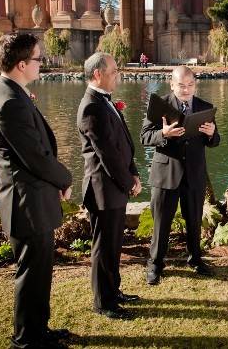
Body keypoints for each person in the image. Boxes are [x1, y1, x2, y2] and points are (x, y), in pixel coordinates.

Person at [0, 33, 72, 348]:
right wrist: (65, 179)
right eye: (39, 59)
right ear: (22, 64)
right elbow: (37, 157)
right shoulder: (10, 103)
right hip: (27, 203)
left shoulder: (13, 94)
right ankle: (27, 341)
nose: (42, 64)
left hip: (32, 200)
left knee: (39, 272)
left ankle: (39, 331)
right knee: (31, 275)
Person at [141, 65, 220, 285]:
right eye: (181, 86)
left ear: (195, 84)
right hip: (166, 174)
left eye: (190, 85)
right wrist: (163, 134)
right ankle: (155, 265)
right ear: (172, 84)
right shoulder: (160, 105)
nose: (186, 90)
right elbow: (145, 137)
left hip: (194, 175)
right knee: (161, 222)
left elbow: (215, 141)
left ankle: (195, 259)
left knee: (194, 220)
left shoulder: (205, 107)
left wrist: (212, 134)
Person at [77, 52, 142, 320]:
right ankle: (104, 303)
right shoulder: (91, 106)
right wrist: (128, 183)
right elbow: (107, 155)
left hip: (115, 186)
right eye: (114, 70)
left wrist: (134, 173)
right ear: (97, 74)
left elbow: (123, 144)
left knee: (114, 245)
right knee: (103, 248)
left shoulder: (105, 102)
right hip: (103, 189)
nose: (118, 74)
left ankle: (113, 291)